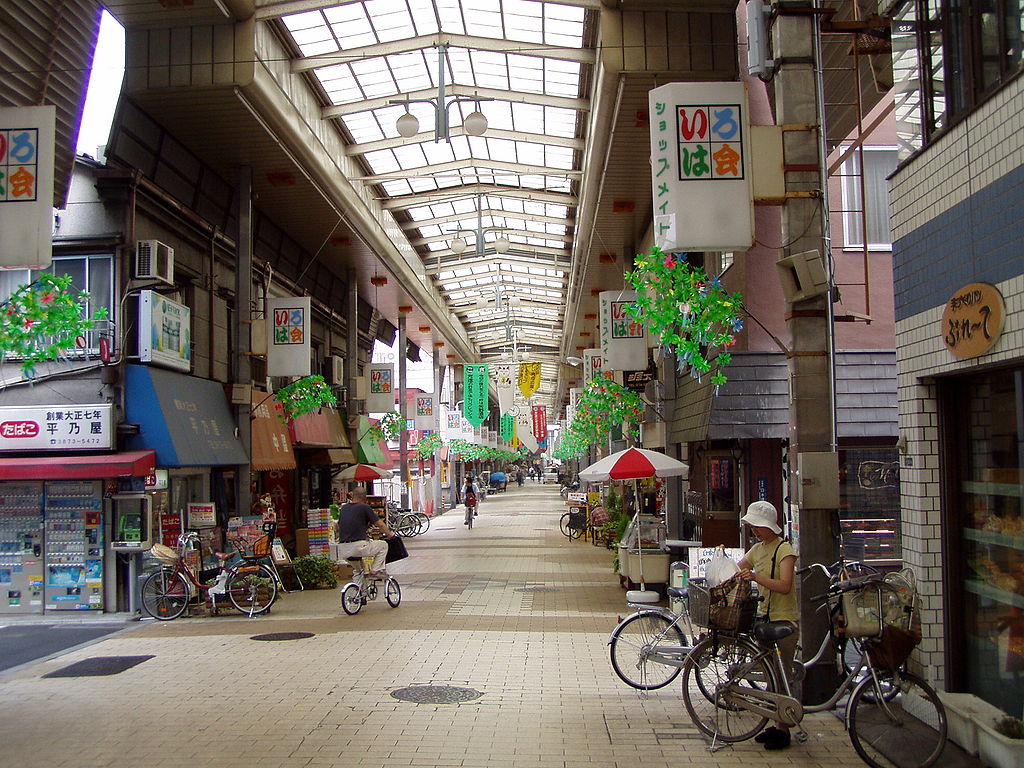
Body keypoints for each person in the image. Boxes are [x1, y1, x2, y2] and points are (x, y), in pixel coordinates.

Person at [736, 500, 798, 751]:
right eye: (752, 526)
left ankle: (784, 729)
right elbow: (739, 568)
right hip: (763, 617)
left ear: (770, 527)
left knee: (782, 675)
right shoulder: (757, 549)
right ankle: (775, 724)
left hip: (783, 619)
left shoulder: (785, 550)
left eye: (757, 526)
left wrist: (757, 577)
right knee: (771, 675)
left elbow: (785, 584)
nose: (754, 530)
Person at [335, 486, 395, 577]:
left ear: (353, 496)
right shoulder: (364, 507)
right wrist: (389, 534)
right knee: (383, 545)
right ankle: (376, 570)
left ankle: (359, 590)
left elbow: (337, 527)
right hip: (358, 546)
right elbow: (380, 524)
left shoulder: (344, 508)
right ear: (364, 497)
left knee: (359, 571)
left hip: (343, 549)